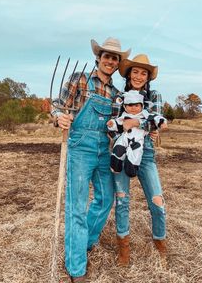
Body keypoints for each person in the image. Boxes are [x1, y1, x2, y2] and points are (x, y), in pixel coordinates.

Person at [51, 37, 131, 283]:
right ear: (99, 58)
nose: (110, 61)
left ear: (118, 64)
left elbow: (121, 124)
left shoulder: (118, 94)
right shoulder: (80, 79)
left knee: (106, 198)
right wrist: (59, 117)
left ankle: (81, 241)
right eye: (106, 56)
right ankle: (76, 268)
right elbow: (57, 106)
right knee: (76, 206)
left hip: (104, 149)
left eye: (114, 58)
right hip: (80, 147)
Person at [112, 54, 167, 267]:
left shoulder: (154, 95)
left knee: (157, 201)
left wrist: (133, 122)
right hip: (122, 151)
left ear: (148, 77)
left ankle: (160, 243)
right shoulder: (119, 96)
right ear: (128, 73)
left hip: (146, 154)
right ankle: (123, 248)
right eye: (135, 71)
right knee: (122, 200)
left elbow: (155, 123)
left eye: (143, 73)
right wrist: (129, 127)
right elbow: (116, 125)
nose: (138, 76)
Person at [107, 90, 166, 177]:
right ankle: (115, 165)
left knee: (135, 153)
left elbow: (156, 118)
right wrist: (112, 124)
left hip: (137, 140)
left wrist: (161, 122)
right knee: (118, 149)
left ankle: (131, 167)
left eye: (137, 105)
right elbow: (118, 124)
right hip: (124, 138)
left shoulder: (145, 115)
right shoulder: (123, 116)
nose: (133, 108)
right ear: (125, 106)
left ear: (142, 106)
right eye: (130, 105)